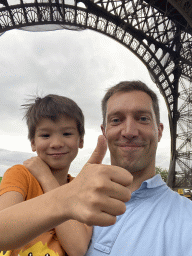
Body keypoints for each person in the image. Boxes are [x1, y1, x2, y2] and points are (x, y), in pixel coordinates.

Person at [84, 81, 192, 256]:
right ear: (104, 132)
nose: (129, 131)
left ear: (159, 130)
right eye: (116, 120)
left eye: (142, 118)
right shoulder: (71, 205)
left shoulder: (188, 221)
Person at [0, 94, 93, 256]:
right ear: (33, 143)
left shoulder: (83, 188)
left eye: (67, 134)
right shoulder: (20, 175)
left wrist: (46, 178)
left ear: (81, 140)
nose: (56, 143)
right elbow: (3, 232)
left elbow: (77, 248)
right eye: (45, 135)